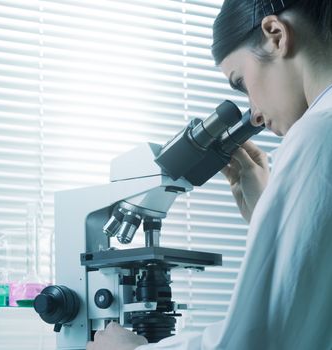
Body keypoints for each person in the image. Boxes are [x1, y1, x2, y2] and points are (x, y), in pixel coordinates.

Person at [87, 0, 332, 348]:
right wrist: (268, 209)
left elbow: (256, 338)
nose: (256, 115)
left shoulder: (317, 132)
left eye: (242, 83)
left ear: (275, 35)